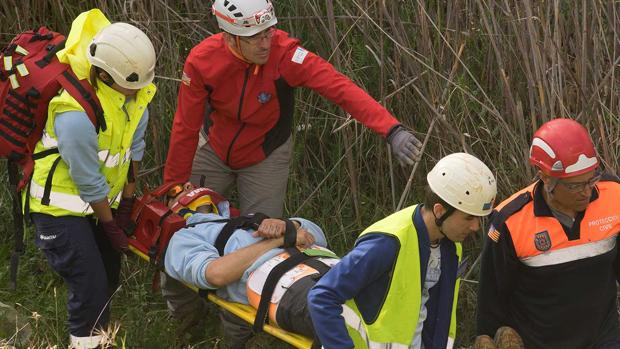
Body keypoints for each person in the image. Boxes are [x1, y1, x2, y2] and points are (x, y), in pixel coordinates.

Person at [163, 0, 423, 219]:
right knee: (183, 223)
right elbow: (185, 126)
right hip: (213, 148)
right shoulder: (202, 61)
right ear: (231, 37)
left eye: (269, 32)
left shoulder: (287, 56)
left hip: (265, 155)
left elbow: (340, 88)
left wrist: (391, 130)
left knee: (262, 240)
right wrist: (174, 185)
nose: (265, 44)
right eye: (255, 38)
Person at [21, 9, 157, 349]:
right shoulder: (74, 115)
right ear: (106, 75)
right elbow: (87, 179)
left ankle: (97, 339)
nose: (139, 90)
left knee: (109, 278)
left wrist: (127, 201)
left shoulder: (137, 95)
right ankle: (83, 343)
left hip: (101, 206)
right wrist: (111, 225)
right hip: (58, 208)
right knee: (90, 284)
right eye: (132, 85)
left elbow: (132, 152)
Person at [307, 153, 498, 349]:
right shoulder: (387, 243)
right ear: (440, 211)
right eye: (469, 218)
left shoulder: (450, 245)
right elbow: (322, 296)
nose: (476, 226)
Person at [476, 118, 620, 349]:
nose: (586, 192)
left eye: (591, 180)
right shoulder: (510, 223)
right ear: (545, 177)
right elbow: (491, 300)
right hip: (539, 342)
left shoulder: (613, 196)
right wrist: (486, 335)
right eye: (574, 185)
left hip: (603, 339)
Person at [162, 182, 338, 348]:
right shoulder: (183, 237)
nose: (188, 186)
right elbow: (215, 274)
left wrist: (290, 224)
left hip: (329, 264)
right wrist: (278, 240)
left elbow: (319, 237)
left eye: (190, 184)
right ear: (168, 209)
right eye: (175, 190)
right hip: (288, 283)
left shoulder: (246, 219)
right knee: (346, 320)